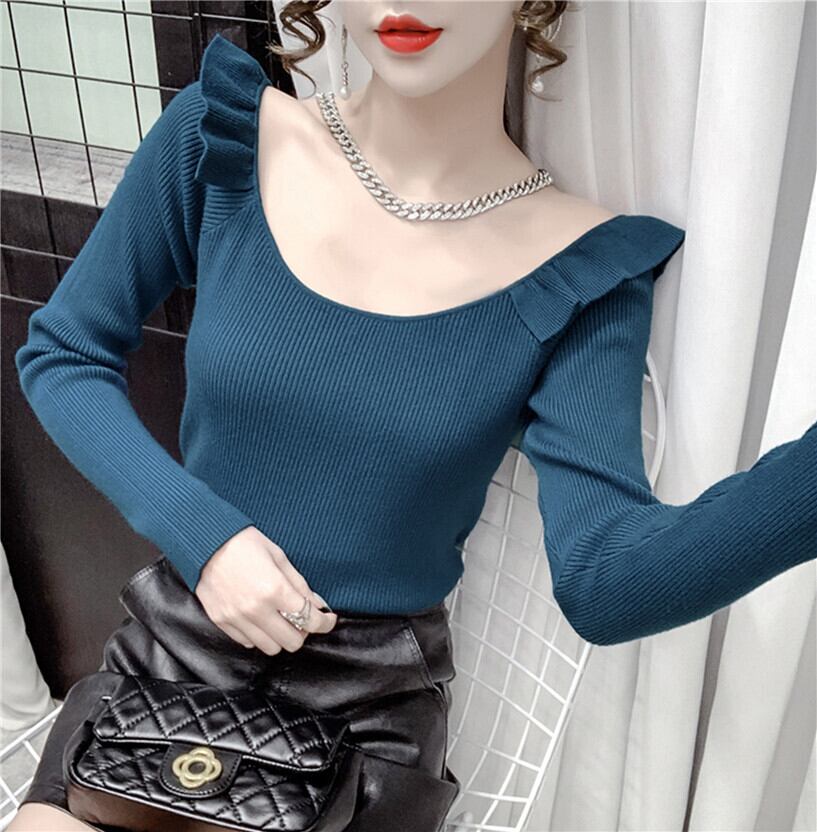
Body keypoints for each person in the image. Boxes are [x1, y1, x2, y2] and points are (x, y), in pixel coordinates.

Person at [10, 2, 816, 830]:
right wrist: (205, 538)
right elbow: (65, 352)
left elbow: (608, 582)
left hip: (362, 725)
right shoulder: (229, 139)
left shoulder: (578, 271)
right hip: (166, 664)